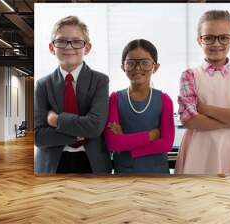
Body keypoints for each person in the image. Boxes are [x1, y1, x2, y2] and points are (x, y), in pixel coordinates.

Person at [175, 10, 230, 176]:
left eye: (223, 37)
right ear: (199, 40)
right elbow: (190, 121)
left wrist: (205, 109)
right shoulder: (190, 75)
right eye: (209, 37)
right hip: (199, 148)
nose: (216, 43)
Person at [34, 15, 112, 174]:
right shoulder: (42, 85)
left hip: (92, 163)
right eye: (61, 41)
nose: (69, 47)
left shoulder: (100, 81)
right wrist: (78, 135)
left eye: (76, 41)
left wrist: (55, 120)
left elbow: (94, 127)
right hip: (52, 165)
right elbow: (39, 136)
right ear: (52, 47)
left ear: (87, 48)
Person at [104, 39, 175, 174]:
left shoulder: (164, 100)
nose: (138, 68)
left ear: (156, 67)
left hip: (157, 174)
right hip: (125, 173)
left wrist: (129, 145)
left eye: (145, 63)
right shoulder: (115, 99)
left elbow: (166, 143)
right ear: (123, 67)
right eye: (131, 63)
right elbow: (113, 142)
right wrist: (151, 135)